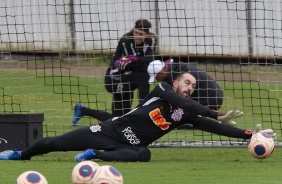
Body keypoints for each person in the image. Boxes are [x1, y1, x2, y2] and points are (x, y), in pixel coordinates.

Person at [0, 73, 276, 162]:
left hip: (128, 145)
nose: (190, 88)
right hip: (109, 130)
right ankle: (18, 155)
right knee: (52, 143)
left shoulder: (184, 113)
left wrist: (247, 135)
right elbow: (182, 103)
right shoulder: (163, 90)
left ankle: (94, 154)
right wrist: (214, 111)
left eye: (193, 86)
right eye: (187, 83)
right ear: (177, 82)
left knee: (144, 154)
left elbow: (211, 127)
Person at [72, 59, 225, 126]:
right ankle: (83, 110)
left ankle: (83, 110)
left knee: (181, 120)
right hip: (216, 97)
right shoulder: (176, 68)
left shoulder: (174, 77)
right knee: (121, 118)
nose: (158, 80)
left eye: (157, 77)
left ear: (161, 73)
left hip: (210, 99)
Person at [99, 18, 157, 126]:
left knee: (121, 120)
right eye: (136, 32)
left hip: (130, 77)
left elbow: (150, 60)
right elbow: (134, 64)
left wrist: (133, 59)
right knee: (118, 119)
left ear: (147, 34)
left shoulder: (152, 39)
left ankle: (145, 112)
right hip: (114, 79)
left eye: (141, 34)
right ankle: (145, 113)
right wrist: (135, 60)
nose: (137, 36)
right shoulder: (126, 40)